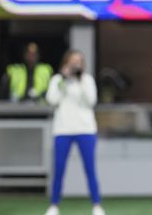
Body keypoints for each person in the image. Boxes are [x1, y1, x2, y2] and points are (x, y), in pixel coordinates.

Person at [44, 50, 105, 215]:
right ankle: (54, 206)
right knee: (59, 169)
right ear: (66, 63)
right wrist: (64, 80)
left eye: (79, 61)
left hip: (85, 129)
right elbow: (51, 100)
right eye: (73, 61)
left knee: (90, 169)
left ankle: (97, 205)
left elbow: (90, 101)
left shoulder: (87, 80)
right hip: (62, 130)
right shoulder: (58, 80)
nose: (76, 64)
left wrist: (79, 81)